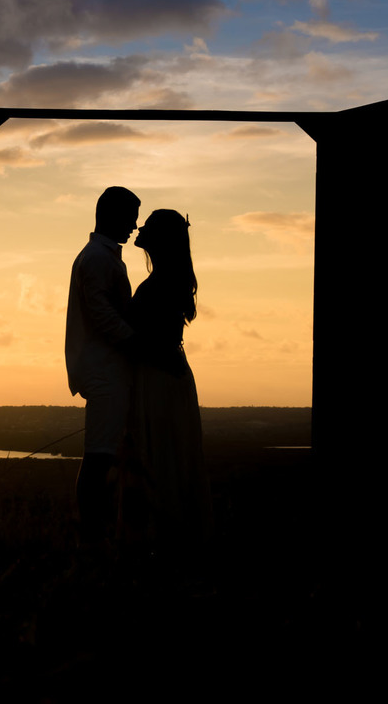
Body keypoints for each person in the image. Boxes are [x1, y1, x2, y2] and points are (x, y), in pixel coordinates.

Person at [124, 209, 213, 549]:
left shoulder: (162, 282)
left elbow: (150, 339)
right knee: (171, 454)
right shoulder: (171, 278)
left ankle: (164, 538)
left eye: (147, 228)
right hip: (166, 373)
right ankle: (170, 536)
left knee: (162, 455)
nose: (139, 231)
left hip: (159, 376)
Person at [65, 186, 141, 543]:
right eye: (130, 217)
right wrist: (141, 344)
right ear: (109, 215)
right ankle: (90, 535)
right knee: (98, 455)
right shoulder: (97, 258)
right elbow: (101, 316)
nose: (134, 225)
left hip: (109, 369)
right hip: (104, 370)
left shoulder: (102, 256)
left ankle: (98, 532)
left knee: (104, 453)